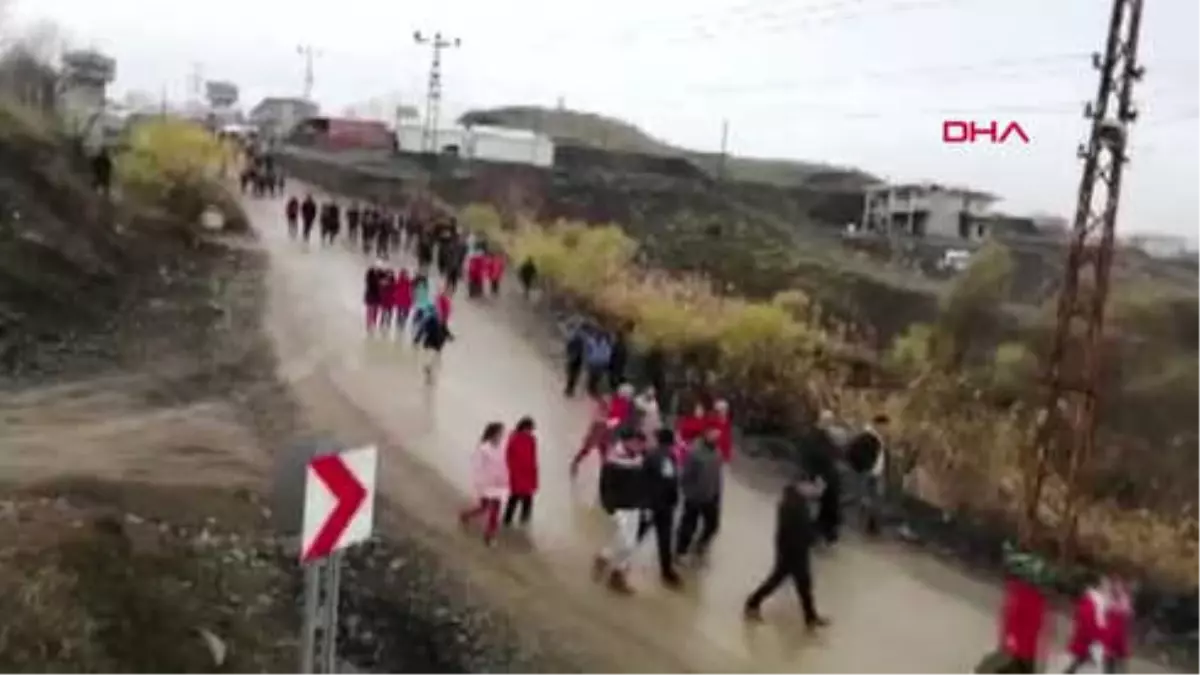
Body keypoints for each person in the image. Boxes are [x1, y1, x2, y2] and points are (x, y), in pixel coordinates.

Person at [743, 476, 830, 630]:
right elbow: (797, 529)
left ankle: (810, 617)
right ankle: (752, 602)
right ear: (803, 485)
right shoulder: (792, 505)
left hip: (796, 549)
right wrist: (811, 539)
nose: (814, 492)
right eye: (812, 487)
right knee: (779, 580)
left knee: (803, 584)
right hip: (792, 551)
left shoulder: (797, 500)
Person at [594, 428, 647, 594]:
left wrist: (644, 503)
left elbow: (642, 483)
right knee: (626, 542)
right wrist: (609, 506)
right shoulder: (613, 459)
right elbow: (605, 485)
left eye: (640, 444)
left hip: (635, 506)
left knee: (629, 543)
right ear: (626, 441)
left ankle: (609, 564)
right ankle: (612, 567)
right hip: (619, 507)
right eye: (636, 442)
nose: (639, 447)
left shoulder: (639, 459)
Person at [637, 427, 683, 588]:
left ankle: (613, 559)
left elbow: (643, 481)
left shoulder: (658, 455)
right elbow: (671, 482)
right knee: (663, 540)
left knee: (637, 536)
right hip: (660, 506)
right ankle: (667, 572)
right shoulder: (663, 457)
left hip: (654, 505)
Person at [675, 425, 724, 563]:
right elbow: (685, 476)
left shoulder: (717, 452)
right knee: (688, 526)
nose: (716, 435)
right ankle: (680, 552)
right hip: (695, 497)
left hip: (711, 496)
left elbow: (718, 476)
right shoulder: (694, 452)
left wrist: (718, 494)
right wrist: (689, 494)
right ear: (706, 433)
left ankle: (701, 545)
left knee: (713, 524)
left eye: (718, 433)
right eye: (713, 432)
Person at [459, 422, 508, 546]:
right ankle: (466, 515)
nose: (501, 436)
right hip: (488, 484)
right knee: (484, 507)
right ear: (492, 434)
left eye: (502, 433)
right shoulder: (483, 449)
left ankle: (489, 534)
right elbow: (477, 467)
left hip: (500, 483)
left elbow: (506, 462)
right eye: (499, 433)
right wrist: (480, 484)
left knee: (495, 510)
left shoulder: (503, 446)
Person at [845, 415, 889, 535]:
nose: (885, 429)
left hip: (876, 473)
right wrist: (863, 466)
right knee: (865, 499)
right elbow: (852, 452)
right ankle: (863, 526)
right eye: (883, 426)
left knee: (875, 500)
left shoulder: (879, 439)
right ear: (877, 424)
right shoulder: (866, 437)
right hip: (866, 472)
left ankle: (872, 526)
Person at [804, 410, 843, 545]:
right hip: (817, 476)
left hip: (827, 477)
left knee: (825, 506)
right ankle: (811, 534)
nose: (829, 424)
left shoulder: (825, 436)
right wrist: (815, 476)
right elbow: (809, 457)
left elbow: (832, 453)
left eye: (831, 421)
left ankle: (822, 533)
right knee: (815, 507)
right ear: (822, 420)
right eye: (828, 421)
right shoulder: (812, 436)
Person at [1063, 575, 1111, 675]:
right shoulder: (1094, 601)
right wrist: (1094, 636)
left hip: (1093, 635)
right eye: (1105, 585)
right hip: (1091, 635)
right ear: (1099, 586)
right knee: (1087, 659)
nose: (1108, 588)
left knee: (1083, 659)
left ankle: (1070, 672)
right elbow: (1089, 619)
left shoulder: (1099, 601)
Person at [503, 417, 539, 528]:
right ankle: (507, 522)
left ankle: (524, 524)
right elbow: (508, 457)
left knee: (527, 501)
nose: (530, 432)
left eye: (531, 430)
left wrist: (534, 476)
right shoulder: (514, 438)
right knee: (514, 499)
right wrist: (511, 472)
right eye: (529, 429)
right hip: (517, 474)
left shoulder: (532, 440)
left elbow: (533, 458)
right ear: (523, 427)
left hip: (527, 474)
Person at [570, 394, 612, 479]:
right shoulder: (598, 414)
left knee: (604, 454)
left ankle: (606, 474)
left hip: (603, 434)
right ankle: (575, 463)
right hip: (598, 433)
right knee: (587, 450)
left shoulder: (606, 411)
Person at [416, 309, 454, 383]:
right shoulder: (441, 322)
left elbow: (422, 330)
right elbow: (446, 332)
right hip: (437, 344)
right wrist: (451, 338)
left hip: (430, 343)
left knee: (430, 357)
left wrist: (417, 339)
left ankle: (428, 369)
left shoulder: (429, 321)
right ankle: (430, 372)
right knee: (435, 359)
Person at [583, 329, 612, 396]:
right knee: (591, 376)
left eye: (600, 336)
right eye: (597, 335)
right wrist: (587, 360)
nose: (598, 337)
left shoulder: (605, 344)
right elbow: (587, 351)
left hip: (600, 363)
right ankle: (590, 389)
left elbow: (607, 353)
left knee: (597, 376)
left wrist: (606, 361)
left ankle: (594, 388)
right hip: (592, 362)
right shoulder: (591, 342)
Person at [706, 398, 735, 464]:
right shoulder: (712, 420)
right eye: (718, 410)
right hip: (715, 449)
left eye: (723, 409)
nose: (721, 412)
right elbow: (708, 434)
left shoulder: (727, 420)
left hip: (725, 447)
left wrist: (731, 448)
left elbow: (728, 434)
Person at [563, 321, 586, 397]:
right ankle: (570, 389)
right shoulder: (581, 339)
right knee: (574, 375)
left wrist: (569, 354)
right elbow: (583, 350)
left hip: (574, 358)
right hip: (577, 359)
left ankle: (569, 389)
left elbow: (568, 346)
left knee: (572, 375)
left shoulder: (574, 337)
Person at [391, 269, 414, 335]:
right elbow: (394, 287)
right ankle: (399, 325)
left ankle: (402, 323)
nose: (406, 275)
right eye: (405, 274)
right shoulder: (399, 281)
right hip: (399, 300)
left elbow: (413, 286)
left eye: (406, 274)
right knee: (399, 313)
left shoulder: (409, 281)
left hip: (407, 300)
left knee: (406, 313)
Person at [363, 265, 383, 333]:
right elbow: (372, 283)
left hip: (376, 297)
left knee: (375, 312)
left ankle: (373, 324)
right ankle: (369, 325)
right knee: (370, 312)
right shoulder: (370, 278)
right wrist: (379, 281)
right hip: (371, 297)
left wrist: (380, 272)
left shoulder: (378, 276)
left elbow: (383, 276)